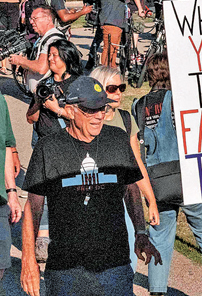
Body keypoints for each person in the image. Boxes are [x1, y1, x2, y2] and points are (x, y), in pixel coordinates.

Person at [21, 75, 161, 296]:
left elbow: (131, 187)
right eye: (90, 110)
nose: (98, 116)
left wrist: (141, 232)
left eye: (102, 109)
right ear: (71, 110)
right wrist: (28, 259)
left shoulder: (117, 139)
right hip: (66, 270)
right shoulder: (48, 148)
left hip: (115, 266)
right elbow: (33, 207)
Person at [132, 52, 202, 296]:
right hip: (189, 178)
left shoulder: (138, 105)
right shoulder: (181, 100)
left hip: (157, 184)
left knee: (160, 238)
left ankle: (157, 291)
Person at [93, 66, 160, 270]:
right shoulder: (86, 120)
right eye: (112, 88)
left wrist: (151, 200)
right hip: (93, 200)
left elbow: (136, 163)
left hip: (122, 199)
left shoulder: (125, 119)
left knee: (127, 261)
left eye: (121, 88)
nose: (118, 93)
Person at [27, 39, 80, 140]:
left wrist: (57, 110)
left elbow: (85, 118)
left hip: (67, 141)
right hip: (43, 141)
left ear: (66, 56)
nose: (50, 58)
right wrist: (37, 103)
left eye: (54, 55)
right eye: (49, 55)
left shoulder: (78, 84)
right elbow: (30, 119)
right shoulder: (44, 85)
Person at [9, 7, 65, 93]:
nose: (31, 22)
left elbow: (41, 68)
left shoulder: (53, 39)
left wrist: (20, 61)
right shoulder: (43, 37)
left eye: (35, 18)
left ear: (48, 19)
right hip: (40, 94)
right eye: (30, 19)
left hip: (49, 95)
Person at [0, 82, 21, 288]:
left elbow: (5, 145)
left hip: (0, 198)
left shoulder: (0, 101)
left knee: (1, 262)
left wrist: (12, 192)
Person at [98, 0, 128, 67]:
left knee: (113, 49)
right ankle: (106, 69)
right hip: (111, 22)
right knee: (110, 49)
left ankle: (110, 67)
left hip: (114, 21)